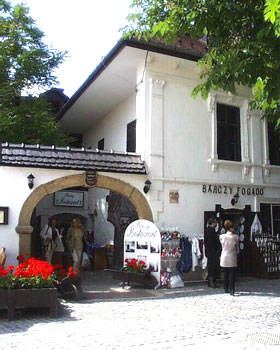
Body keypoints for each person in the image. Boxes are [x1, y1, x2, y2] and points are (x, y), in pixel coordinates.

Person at [220, 220, 239, 296]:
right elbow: (236, 247)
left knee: (225, 274)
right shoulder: (235, 237)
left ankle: (225, 288)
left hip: (224, 256)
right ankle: (232, 289)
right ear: (231, 228)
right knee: (232, 274)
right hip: (232, 256)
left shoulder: (221, 236)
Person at [204, 217, 221, 288]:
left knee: (211, 266)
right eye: (216, 222)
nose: (216, 224)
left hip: (210, 252)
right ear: (213, 223)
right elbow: (212, 242)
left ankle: (211, 282)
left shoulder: (208, 230)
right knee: (213, 267)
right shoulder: (211, 231)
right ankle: (212, 282)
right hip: (213, 252)